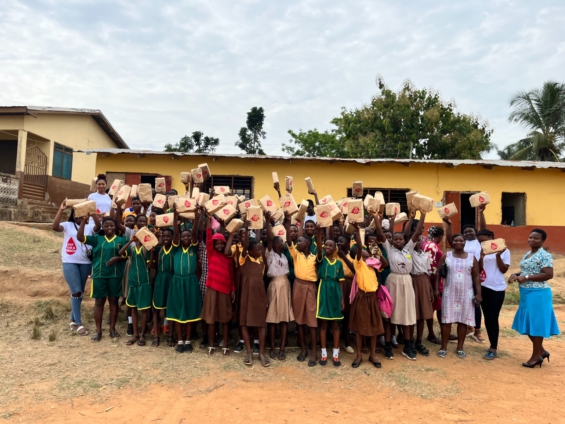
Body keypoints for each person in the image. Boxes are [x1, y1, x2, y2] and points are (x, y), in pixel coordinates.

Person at [374, 209, 427, 361]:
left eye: (400, 239)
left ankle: (408, 346)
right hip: (393, 281)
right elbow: (380, 232)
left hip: (407, 281)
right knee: (389, 314)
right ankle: (388, 346)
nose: (397, 241)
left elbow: (416, 232)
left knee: (407, 314)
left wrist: (422, 215)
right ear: (391, 241)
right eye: (395, 239)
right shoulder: (389, 249)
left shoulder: (409, 248)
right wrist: (376, 217)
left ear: (405, 240)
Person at [509, 229, 560, 368]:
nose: (532, 240)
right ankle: (541, 351)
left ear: (543, 241)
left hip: (538, 294)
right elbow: (529, 270)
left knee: (536, 325)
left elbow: (548, 274)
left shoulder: (545, 255)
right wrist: (517, 274)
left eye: (536, 238)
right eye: (530, 237)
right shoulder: (528, 253)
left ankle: (536, 356)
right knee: (528, 323)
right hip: (526, 293)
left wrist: (525, 277)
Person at [77, 214, 128, 342]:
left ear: (115, 227)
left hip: (115, 275)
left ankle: (112, 329)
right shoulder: (97, 239)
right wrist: (84, 221)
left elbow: (127, 257)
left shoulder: (122, 240)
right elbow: (80, 237)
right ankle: (98, 331)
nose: (109, 228)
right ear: (103, 228)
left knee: (113, 302)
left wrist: (117, 258)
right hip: (99, 275)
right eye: (106, 226)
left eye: (111, 225)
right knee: (99, 302)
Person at [52, 199, 98, 336]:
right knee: (76, 291)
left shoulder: (90, 227)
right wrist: (61, 209)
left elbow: (98, 226)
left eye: (82, 214)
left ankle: (72, 319)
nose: (79, 217)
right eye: (77, 214)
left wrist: (91, 211)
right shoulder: (67, 225)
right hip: (69, 262)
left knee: (79, 291)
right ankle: (78, 323)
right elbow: (55, 227)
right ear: (73, 214)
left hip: (86, 263)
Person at [435, 234, 481, 359]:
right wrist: (436, 289)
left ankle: (460, 347)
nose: (458, 242)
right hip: (449, 292)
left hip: (466, 293)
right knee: (446, 320)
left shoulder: (471, 257)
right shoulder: (446, 256)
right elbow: (438, 272)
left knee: (463, 320)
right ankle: (443, 347)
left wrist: (478, 293)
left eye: (461, 240)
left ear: (465, 242)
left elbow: (476, 276)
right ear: (452, 242)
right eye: (455, 240)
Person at [445, 207, 485, 344]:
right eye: (466, 232)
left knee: (475, 303)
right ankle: (468, 327)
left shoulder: (479, 242)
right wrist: (449, 224)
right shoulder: (462, 243)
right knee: (460, 302)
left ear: (476, 232)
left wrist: (481, 213)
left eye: (471, 231)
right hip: (460, 277)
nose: (468, 233)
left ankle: (477, 330)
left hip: (474, 275)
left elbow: (484, 229)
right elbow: (450, 239)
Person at [349, 220, 386, 369]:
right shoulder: (359, 263)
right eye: (364, 251)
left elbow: (385, 265)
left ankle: (373, 355)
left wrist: (378, 254)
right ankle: (359, 355)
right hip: (362, 297)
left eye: (366, 251)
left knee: (374, 327)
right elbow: (359, 246)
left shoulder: (373, 263)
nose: (365, 251)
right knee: (360, 328)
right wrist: (357, 230)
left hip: (373, 298)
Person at [285, 213, 319, 367]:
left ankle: (314, 352)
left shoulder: (314, 257)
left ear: (307, 244)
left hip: (310, 287)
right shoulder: (296, 254)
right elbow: (289, 241)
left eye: (300, 241)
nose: (297, 242)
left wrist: (319, 232)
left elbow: (319, 245)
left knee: (311, 320)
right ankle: (303, 349)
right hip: (298, 286)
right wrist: (289, 222)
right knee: (299, 319)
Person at [167, 205, 202, 353]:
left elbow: (194, 232)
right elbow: (176, 232)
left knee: (189, 310)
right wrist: (175, 214)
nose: (186, 238)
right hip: (177, 282)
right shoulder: (176, 248)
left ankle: (188, 341)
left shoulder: (193, 248)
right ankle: (180, 341)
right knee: (177, 311)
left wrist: (196, 216)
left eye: (188, 236)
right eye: (183, 236)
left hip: (190, 282)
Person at [200, 210, 236, 357]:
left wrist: (233, 289)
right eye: (217, 243)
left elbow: (231, 275)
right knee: (211, 319)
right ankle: (211, 345)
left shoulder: (228, 257)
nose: (219, 246)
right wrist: (209, 218)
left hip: (225, 291)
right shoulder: (211, 253)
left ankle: (225, 346)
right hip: (212, 290)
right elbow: (209, 237)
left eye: (222, 243)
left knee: (225, 320)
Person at [239, 221, 270, 367]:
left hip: (259, 295)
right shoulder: (244, 258)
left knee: (261, 323)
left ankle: (262, 353)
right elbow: (245, 246)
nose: (261, 250)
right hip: (246, 294)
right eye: (258, 249)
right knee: (244, 323)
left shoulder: (262, 262)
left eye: (261, 248)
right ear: (250, 251)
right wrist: (246, 228)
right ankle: (249, 352)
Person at [264, 212, 294, 361]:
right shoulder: (270, 254)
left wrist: (287, 221)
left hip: (285, 284)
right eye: (281, 241)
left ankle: (282, 348)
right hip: (275, 284)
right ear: (276, 245)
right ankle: (272, 347)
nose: (284, 243)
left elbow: (288, 239)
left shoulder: (284, 256)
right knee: (272, 318)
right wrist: (267, 221)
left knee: (283, 319)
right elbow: (270, 238)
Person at [477, 228, 511, 360]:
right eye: (480, 242)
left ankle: (493, 348)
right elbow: (479, 269)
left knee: (493, 317)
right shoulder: (481, 251)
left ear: (492, 237)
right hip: (483, 287)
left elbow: (503, 270)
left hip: (497, 289)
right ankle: (492, 345)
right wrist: (481, 256)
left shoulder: (504, 251)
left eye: (484, 241)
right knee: (487, 317)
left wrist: (497, 255)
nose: (482, 244)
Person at [404, 212, 434, 357]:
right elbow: (412, 233)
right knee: (412, 313)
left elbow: (427, 273)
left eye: (420, 240)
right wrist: (421, 216)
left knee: (422, 314)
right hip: (412, 281)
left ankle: (419, 341)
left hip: (423, 282)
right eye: (416, 240)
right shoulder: (408, 251)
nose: (418, 242)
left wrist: (430, 289)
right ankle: (409, 340)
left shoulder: (424, 254)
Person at [315, 225, 345, 367]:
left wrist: (342, 299)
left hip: (335, 292)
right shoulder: (321, 259)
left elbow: (341, 283)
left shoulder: (339, 263)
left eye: (330, 245)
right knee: (323, 324)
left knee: (336, 325)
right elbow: (319, 249)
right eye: (325, 245)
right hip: (323, 290)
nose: (327, 247)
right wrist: (319, 231)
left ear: (335, 248)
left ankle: (336, 354)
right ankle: (323, 353)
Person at [119, 234, 155, 346]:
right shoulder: (132, 249)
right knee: (133, 308)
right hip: (133, 281)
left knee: (144, 310)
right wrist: (131, 241)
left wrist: (152, 253)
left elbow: (149, 266)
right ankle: (135, 334)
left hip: (144, 282)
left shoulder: (146, 249)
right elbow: (120, 252)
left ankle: (143, 334)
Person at [152, 228, 175, 347]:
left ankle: (170, 336)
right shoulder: (159, 249)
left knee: (170, 308)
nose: (166, 238)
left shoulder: (175, 249)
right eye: (163, 236)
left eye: (168, 236)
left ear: (172, 237)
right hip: (160, 280)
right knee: (156, 308)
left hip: (171, 280)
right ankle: (156, 336)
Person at [422, 226, 444, 344]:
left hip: (434, 281)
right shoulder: (432, 246)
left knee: (439, 307)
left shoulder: (427, 244)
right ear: (440, 236)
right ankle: (431, 334)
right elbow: (431, 269)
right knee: (432, 308)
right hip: (432, 282)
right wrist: (434, 288)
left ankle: (443, 331)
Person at [337, 235, 355, 353]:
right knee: (338, 314)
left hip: (349, 284)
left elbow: (355, 269)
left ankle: (347, 342)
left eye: (341, 241)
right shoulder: (335, 254)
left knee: (348, 314)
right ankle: (337, 343)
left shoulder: (352, 255)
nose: (339, 243)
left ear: (348, 243)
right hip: (338, 284)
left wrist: (344, 256)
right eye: (337, 241)